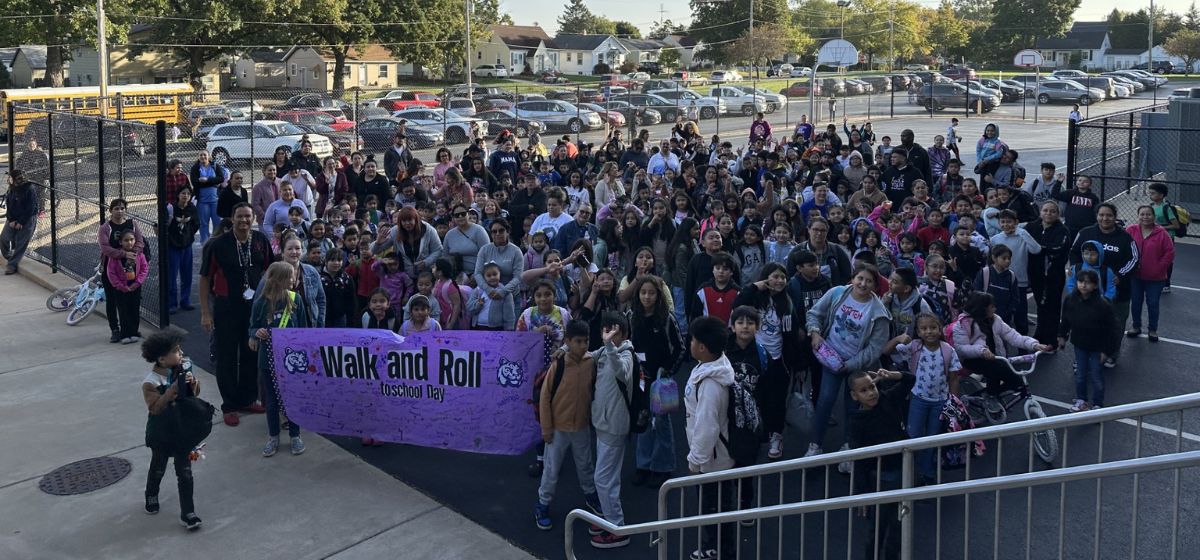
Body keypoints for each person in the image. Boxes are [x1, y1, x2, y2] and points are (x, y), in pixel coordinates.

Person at [805, 264, 892, 458]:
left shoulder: (879, 313)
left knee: (853, 406)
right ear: (852, 279)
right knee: (825, 401)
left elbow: (875, 348)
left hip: (858, 366)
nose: (863, 283)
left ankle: (848, 448)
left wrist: (850, 365)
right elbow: (814, 314)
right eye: (860, 278)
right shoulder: (837, 293)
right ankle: (815, 445)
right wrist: (815, 334)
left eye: (869, 281)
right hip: (832, 359)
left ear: (875, 286)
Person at [199, 203, 274, 426]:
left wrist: (270, 305)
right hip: (226, 307)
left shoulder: (260, 240)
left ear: (253, 218)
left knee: (251, 352)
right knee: (227, 357)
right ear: (232, 218)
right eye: (239, 216)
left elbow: (271, 271)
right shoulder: (218, 244)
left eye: (247, 216)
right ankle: (230, 405)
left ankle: (248, 398)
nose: (244, 220)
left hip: (254, 307)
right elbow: (205, 278)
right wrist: (205, 312)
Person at [534, 320, 603, 532]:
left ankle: (591, 496)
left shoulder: (591, 361)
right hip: (557, 428)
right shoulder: (559, 365)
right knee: (551, 469)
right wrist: (546, 429)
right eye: (578, 341)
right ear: (568, 341)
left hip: (580, 426)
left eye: (586, 341)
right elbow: (545, 398)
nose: (583, 346)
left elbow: (606, 350)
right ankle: (543, 505)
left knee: (585, 466)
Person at [732, 263, 800, 460]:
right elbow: (737, 305)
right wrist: (755, 286)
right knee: (753, 397)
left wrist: (794, 365)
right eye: (774, 276)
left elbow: (791, 336)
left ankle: (776, 435)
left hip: (777, 360)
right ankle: (757, 432)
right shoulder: (755, 298)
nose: (778, 281)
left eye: (782, 277)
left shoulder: (786, 304)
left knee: (776, 401)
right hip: (753, 357)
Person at [846, 368, 914, 559]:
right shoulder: (857, 422)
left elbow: (910, 380)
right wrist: (863, 494)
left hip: (903, 471)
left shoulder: (887, 398)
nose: (871, 393)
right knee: (877, 528)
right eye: (864, 390)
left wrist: (893, 375)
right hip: (880, 480)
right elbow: (859, 460)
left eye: (872, 386)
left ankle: (893, 555)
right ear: (854, 396)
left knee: (899, 525)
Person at [683, 316, 736, 560]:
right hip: (715, 458)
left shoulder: (711, 385)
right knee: (718, 507)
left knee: (713, 509)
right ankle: (718, 547)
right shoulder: (712, 366)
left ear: (703, 347)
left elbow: (706, 427)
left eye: (693, 340)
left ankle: (714, 549)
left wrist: (696, 461)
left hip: (713, 462)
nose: (690, 343)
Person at [139, 331, 203, 530]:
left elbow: (193, 395)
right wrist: (172, 390)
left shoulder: (181, 369)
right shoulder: (150, 382)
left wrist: (192, 383)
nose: (181, 353)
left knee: (185, 472)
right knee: (158, 466)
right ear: (162, 359)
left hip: (181, 429)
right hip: (162, 432)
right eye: (176, 351)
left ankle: (188, 512)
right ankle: (151, 493)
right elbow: (155, 408)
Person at [629, 275, 685, 487]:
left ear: (658, 295)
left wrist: (669, 370)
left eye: (651, 293)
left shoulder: (667, 318)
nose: (647, 296)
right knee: (642, 421)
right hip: (642, 378)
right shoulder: (633, 316)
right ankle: (643, 465)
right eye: (643, 292)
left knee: (662, 423)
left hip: (661, 380)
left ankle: (662, 466)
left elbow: (680, 348)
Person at [586, 311, 636, 549]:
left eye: (615, 332)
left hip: (614, 426)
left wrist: (610, 345)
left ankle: (617, 527)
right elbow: (587, 356)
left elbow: (622, 373)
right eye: (606, 331)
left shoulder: (626, 355)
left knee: (604, 479)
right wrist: (564, 350)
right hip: (602, 422)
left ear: (624, 334)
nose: (609, 336)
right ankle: (609, 518)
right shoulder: (606, 351)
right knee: (606, 476)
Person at [249, 261, 309, 457]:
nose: (293, 280)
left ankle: (295, 435)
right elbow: (251, 326)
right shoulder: (261, 302)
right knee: (272, 402)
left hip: (291, 361)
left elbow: (304, 329)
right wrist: (255, 333)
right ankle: (273, 437)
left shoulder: (296, 299)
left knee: (292, 399)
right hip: (268, 361)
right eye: (289, 277)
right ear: (276, 280)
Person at [1069, 203, 1137, 368]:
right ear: (1096, 216)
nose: (1105, 218)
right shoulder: (1086, 233)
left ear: (1115, 217)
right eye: (1101, 215)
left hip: (1118, 292)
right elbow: (1074, 252)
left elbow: (1134, 259)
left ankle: (1111, 354)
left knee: (1115, 324)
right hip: (1088, 294)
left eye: (1109, 215)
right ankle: (1083, 357)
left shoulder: (1125, 237)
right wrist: (1076, 271)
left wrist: (1120, 275)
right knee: (1087, 326)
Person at [952, 292, 1053, 397]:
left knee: (999, 376)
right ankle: (990, 397)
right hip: (974, 359)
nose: (995, 309)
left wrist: (1034, 345)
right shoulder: (963, 325)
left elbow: (1013, 336)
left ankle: (992, 398)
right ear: (983, 309)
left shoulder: (995, 320)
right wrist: (981, 351)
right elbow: (961, 349)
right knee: (1014, 380)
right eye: (992, 307)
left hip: (995, 357)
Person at [1058, 269, 1119, 412]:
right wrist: (1062, 336)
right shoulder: (1070, 300)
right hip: (1080, 344)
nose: (1083, 285)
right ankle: (1082, 400)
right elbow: (1065, 319)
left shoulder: (1103, 305)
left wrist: (1107, 351)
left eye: (1088, 283)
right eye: (1080, 282)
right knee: (1080, 374)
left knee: (1097, 376)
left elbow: (1112, 330)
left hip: (1098, 346)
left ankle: (1098, 404)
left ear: (1095, 286)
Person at [99, 198, 146, 343]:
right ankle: (115, 329)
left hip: (131, 266)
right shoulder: (105, 228)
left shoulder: (132, 224)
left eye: (122, 208)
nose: (119, 211)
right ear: (111, 211)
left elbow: (139, 241)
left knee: (131, 299)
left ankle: (132, 329)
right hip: (111, 267)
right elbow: (105, 248)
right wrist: (123, 254)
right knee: (112, 299)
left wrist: (134, 254)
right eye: (116, 208)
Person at [1125, 205, 1174, 343]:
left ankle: (1152, 329)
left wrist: (1159, 267)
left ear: (1154, 216)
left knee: (1153, 303)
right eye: (1142, 214)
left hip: (1155, 277)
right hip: (1135, 276)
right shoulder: (1131, 230)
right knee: (1136, 302)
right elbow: (1124, 247)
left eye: (1148, 214)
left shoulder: (1162, 233)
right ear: (1138, 215)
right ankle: (1136, 326)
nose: (1145, 217)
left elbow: (1169, 253)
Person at [1025, 201, 1071, 345]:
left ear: (1058, 214)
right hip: (1035, 273)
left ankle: (1051, 339)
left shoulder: (1063, 230)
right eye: (1045, 210)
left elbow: (1057, 248)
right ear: (1040, 212)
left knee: (1052, 306)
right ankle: (1039, 334)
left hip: (1053, 275)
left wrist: (1038, 248)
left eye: (1052, 211)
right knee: (1040, 304)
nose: (1048, 214)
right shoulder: (1032, 226)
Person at [989, 210, 1042, 334]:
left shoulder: (1022, 235)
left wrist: (1022, 233)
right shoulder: (995, 239)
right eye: (1003, 222)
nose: (1006, 225)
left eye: (1009, 222)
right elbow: (990, 261)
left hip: (1019, 282)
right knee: (1002, 316)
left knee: (1020, 316)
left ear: (1016, 222)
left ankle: (1023, 345)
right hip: (1001, 282)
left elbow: (1036, 250)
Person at [373, 207, 443, 279]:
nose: (407, 223)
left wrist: (426, 262)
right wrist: (378, 243)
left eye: (410, 220)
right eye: (404, 221)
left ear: (416, 219)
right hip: (404, 276)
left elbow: (438, 250)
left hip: (425, 276)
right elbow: (373, 251)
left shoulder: (429, 230)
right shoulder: (395, 231)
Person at [106, 230, 150, 343]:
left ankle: (134, 332)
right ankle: (125, 334)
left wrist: (138, 282)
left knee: (134, 309)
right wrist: (120, 286)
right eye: (126, 240)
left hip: (135, 286)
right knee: (123, 310)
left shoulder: (139, 254)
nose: (129, 242)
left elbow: (144, 269)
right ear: (120, 242)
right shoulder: (116, 256)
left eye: (132, 240)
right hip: (121, 288)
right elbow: (111, 272)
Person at [166, 186, 200, 314]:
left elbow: (196, 223)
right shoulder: (171, 208)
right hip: (173, 245)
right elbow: (166, 225)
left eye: (188, 194)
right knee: (172, 275)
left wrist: (188, 234)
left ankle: (185, 300)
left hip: (186, 245)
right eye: (183, 193)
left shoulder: (192, 208)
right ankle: (171, 302)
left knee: (187, 274)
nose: (185, 196)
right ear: (178, 195)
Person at [1, 170, 38, 275]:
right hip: (13, 218)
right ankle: (9, 256)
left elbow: (30, 208)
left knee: (21, 243)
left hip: (27, 219)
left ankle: (12, 265)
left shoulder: (29, 189)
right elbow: (9, 204)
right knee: (4, 238)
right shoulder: (12, 189)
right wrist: (11, 220)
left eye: (10, 178)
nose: (8, 180)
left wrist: (21, 222)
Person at [189, 151, 225, 243]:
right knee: (203, 224)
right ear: (198, 157)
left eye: (205, 154)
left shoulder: (215, 166)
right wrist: (213, 183)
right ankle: (205, 244)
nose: (203, 156)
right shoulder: (195, 168)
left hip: (215, 200)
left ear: (209, 156)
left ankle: (216, 242)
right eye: (201, 155)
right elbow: (195, 183)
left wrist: (207, 180)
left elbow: (221, 178)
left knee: (217, 223)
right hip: (202, 201)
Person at [320, 250, 357, 328]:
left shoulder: (347, 278)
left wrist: (351, 321)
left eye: (339, 260)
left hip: (341, 318)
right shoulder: (318, 278)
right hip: (323, 318)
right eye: (332, 260)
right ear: (326, 261)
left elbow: (351, 302)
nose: (336, 263)